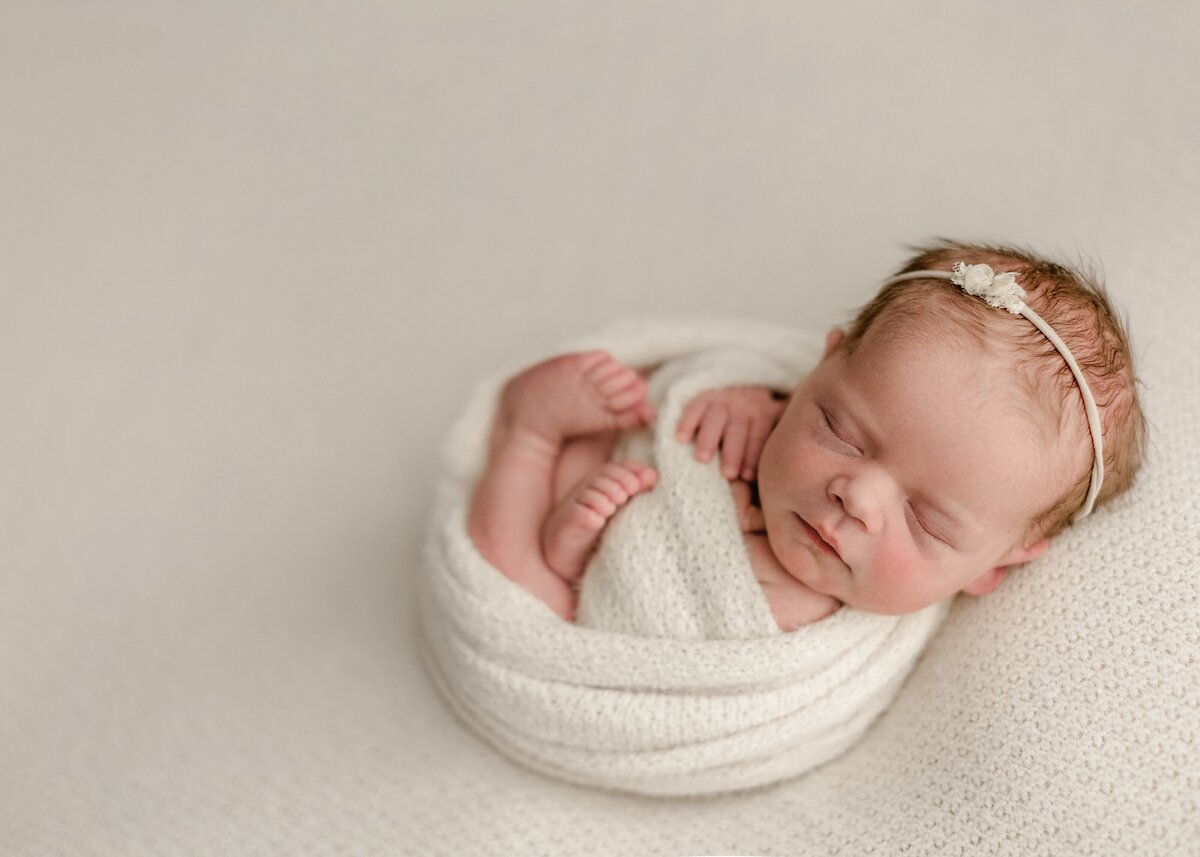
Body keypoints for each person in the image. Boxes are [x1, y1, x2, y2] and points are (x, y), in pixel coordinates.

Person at [467, 240, 1146, 629]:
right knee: (512, 563)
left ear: (997, 563)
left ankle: (544, 481)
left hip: (604, 613)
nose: (857, 495)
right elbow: (711, 398)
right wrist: (750, 400)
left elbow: (710, 695)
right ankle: (530, 435)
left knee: (530, 598)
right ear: (823, 363)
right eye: (840, 429)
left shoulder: (849, 642)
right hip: (622, 482)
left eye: (926, 520)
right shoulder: (770, 411)